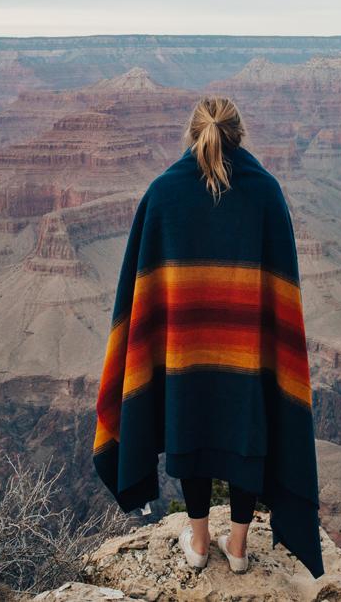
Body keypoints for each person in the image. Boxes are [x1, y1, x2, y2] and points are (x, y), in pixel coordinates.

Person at [92, 96, 324, 578]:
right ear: (240, 135)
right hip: (246, 354)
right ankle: (237, 548)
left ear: (192, 134)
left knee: (189, 426)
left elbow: (140, 290)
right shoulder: (265, 193)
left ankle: (197, 542)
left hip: (184, 354)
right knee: (244, 431)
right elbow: (281, 289)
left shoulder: (163, 193)